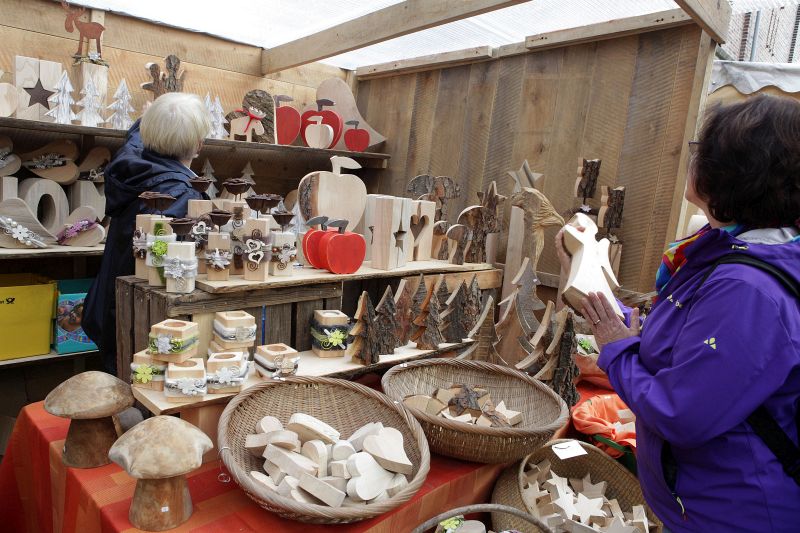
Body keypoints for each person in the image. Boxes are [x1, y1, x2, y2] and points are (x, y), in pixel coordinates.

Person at [557, 95, 800, 531]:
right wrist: (581, 271)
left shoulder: (747, 290)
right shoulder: (727, 251)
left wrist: (618, 350)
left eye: (702, 150)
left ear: (733, 172)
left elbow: (681, 412)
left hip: (733, 515)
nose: (694, 159)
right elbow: (694, 346)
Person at [84, 93, 211, 375]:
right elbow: (168, 267)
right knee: (141, 387)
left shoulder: (130, 166)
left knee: (120, 377)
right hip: (144, 321)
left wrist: (147, 119)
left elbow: (134, 142)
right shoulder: (180, 194)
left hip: (112, 308)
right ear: (199, 145)